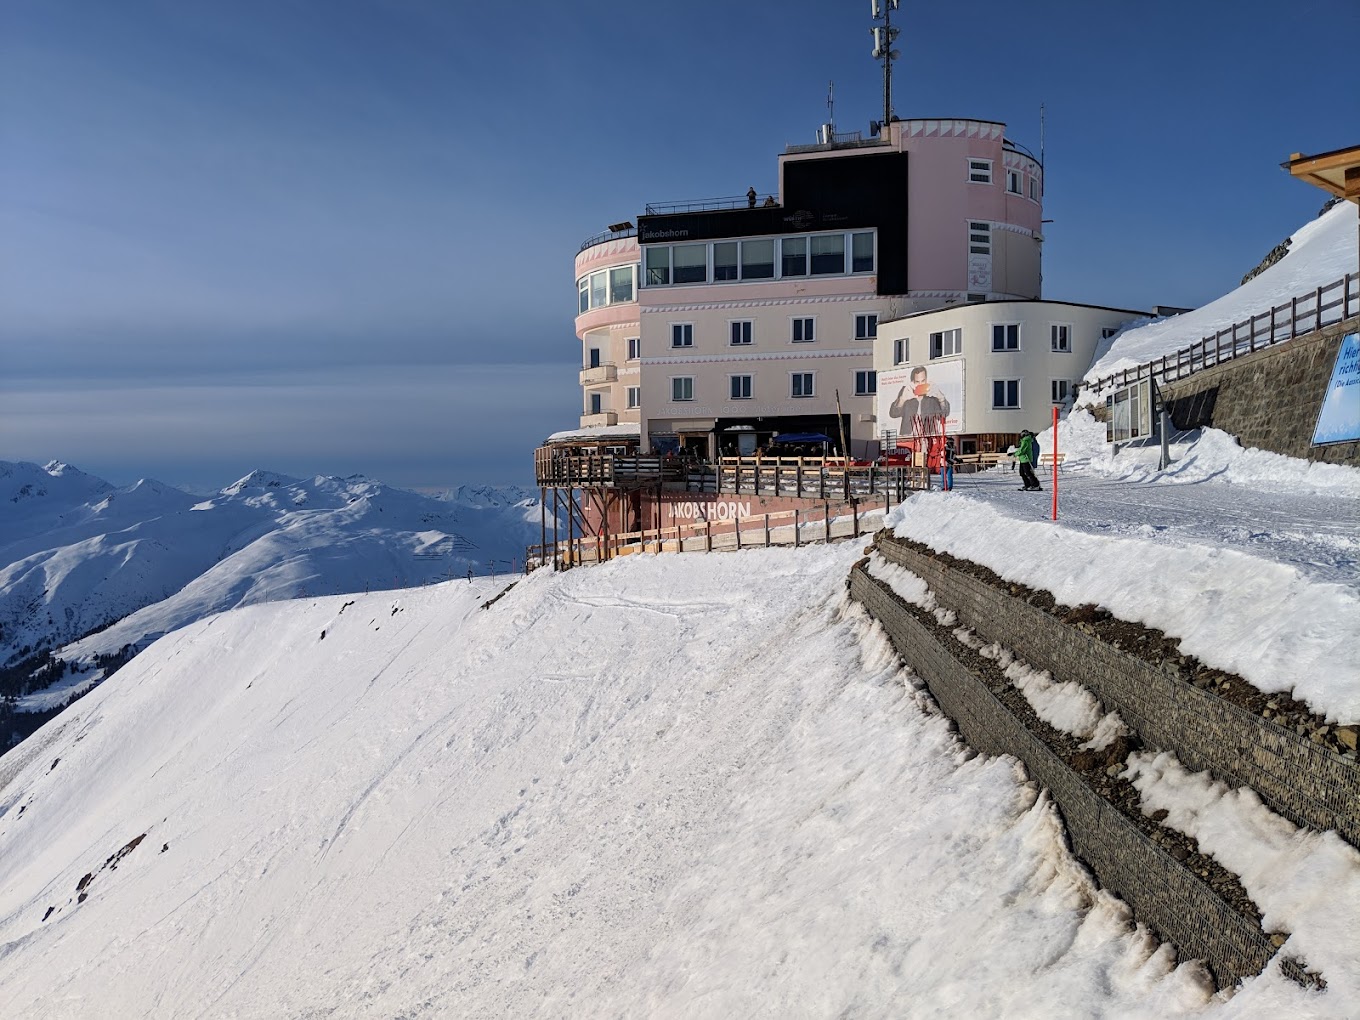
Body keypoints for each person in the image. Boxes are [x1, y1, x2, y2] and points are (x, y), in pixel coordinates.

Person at [889, 366, 951, 435]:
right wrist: (902, 400)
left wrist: (941, 398)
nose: (920, 384)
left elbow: (944, 414)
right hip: (909, 437)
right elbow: (893, 414)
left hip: (927, 437)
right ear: (912, 382)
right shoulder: (906, 391)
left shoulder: (932, 396)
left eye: (923, 381)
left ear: (926, 380)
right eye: (917, 382)